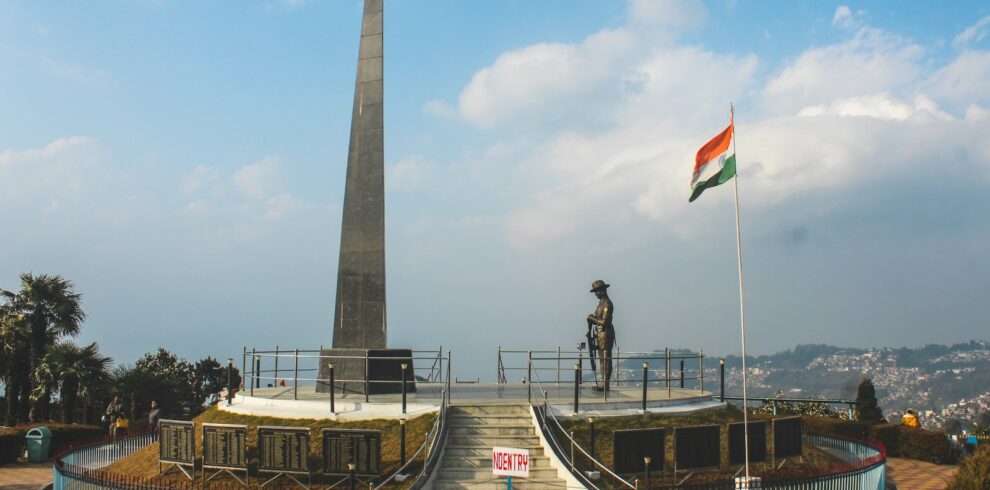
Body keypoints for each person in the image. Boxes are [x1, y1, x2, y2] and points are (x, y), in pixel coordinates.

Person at [587, 279, 616, 391]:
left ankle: (605, 383)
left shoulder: (607, 304)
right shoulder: (601, 304)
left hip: (605, 334)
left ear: (602, 291)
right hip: (599, 334)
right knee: (602, 359)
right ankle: (603, 382)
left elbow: (604, 322)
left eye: (596, 291)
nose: (595, 294)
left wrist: (591, 318)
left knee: (606, 358)